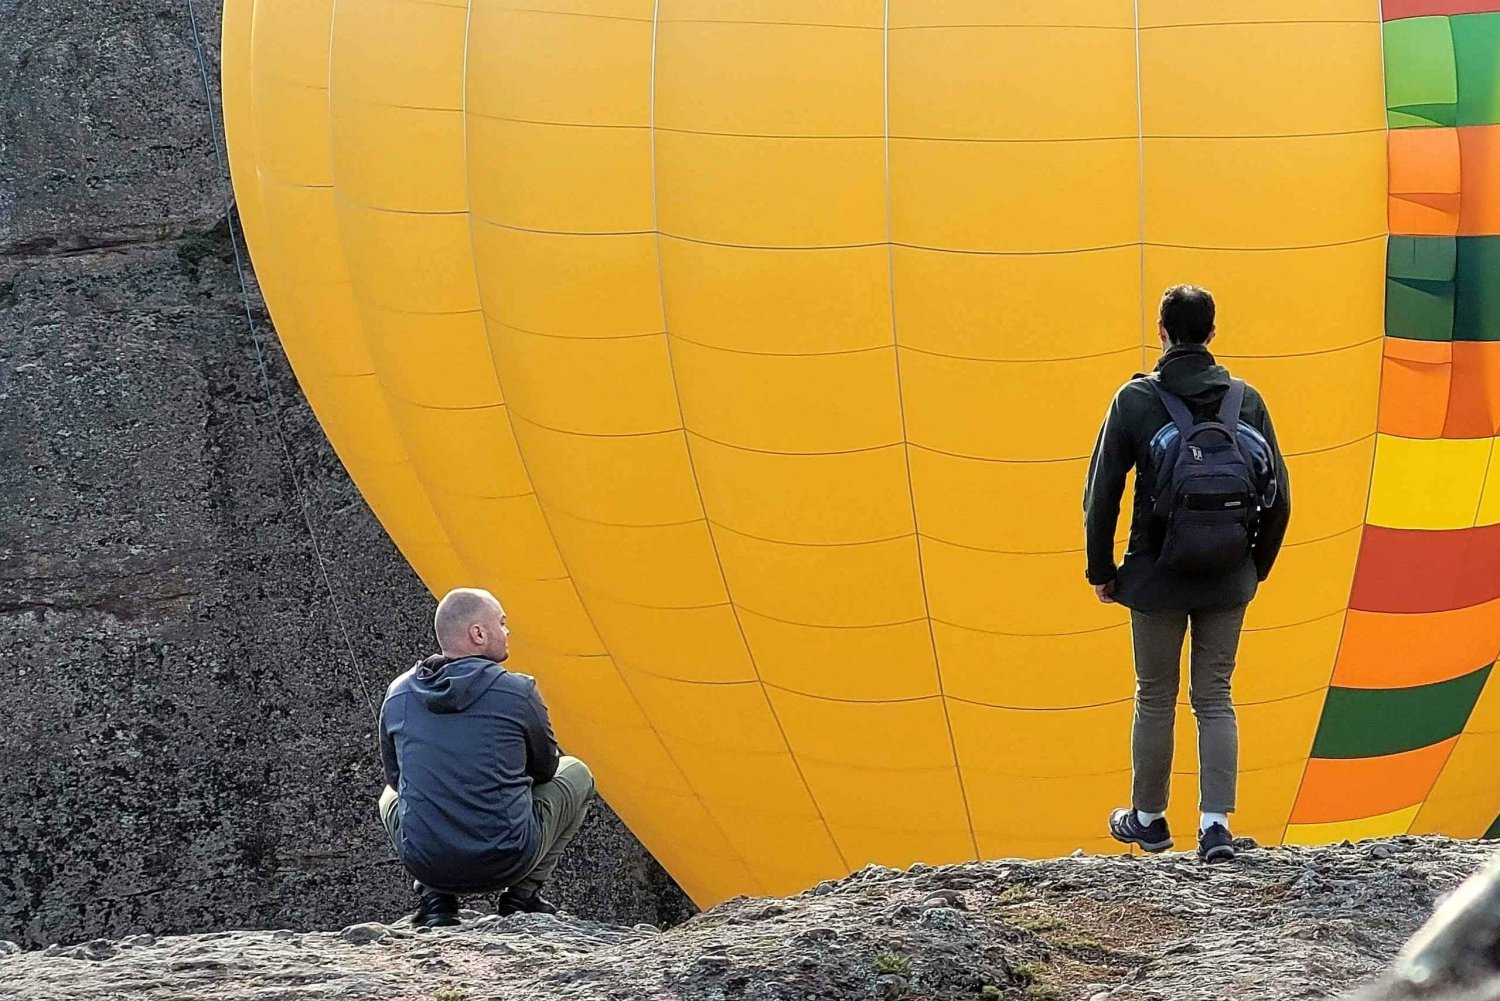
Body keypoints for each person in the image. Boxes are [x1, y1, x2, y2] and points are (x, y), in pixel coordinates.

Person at [1083, 285, 1291, 863]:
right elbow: (1281, 499)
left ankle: (1148, 819)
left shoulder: (1135, 400)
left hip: (1155, 576)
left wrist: (1102, 570)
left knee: (1155, 695)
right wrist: (1255, 569)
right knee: (1215, 695)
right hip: (1229, 577)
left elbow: (1102, 494)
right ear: (1213, 333)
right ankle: (1215, 824)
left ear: (1162, 332)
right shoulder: (1247, 401)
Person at [377, 587, 595, 926]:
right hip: (508, 859)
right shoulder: (518, 691)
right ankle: (522, 897)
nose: (508, 632)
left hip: (429, 864)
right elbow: (546, 769)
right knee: (577, 772)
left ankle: (436, 902)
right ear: (478, 634)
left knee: (388, 796)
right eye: (502, 623)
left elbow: (396, 778)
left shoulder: (398, 693)